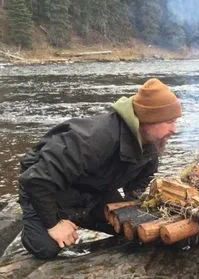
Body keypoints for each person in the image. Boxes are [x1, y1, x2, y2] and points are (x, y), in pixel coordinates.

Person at [18, 78, 182, 259]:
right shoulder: (97, 138)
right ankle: (40, 219)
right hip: (52, 190)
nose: (174, 129)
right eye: (169, 121)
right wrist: (54, 224)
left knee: (135, 230)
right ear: (148, 119)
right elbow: (36, 179)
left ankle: (78, 217)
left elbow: (142, 178)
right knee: (46, 248)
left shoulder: (151, 141)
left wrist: (134, 205)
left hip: (96, 192)